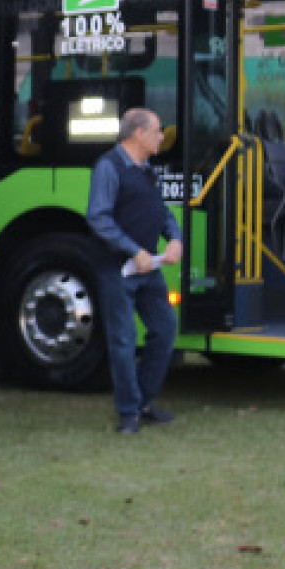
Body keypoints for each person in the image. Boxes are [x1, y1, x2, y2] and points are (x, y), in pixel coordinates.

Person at [86, 107, 182, 434]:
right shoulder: (108, 168)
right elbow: (98, 218)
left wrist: (175, 240)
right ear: (138, 134)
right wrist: (133, 250)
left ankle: (141, 401)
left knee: (166, 328)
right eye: (157, 131)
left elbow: (161, 211)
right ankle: (129, 412)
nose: (161, 136)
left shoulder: (146, 169)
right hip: (117, 270)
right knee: (123, 340)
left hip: (147, 268)